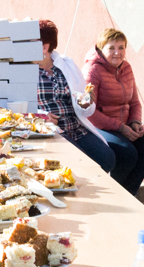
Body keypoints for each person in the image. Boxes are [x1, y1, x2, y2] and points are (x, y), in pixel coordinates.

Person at [83, 28, 144, 195]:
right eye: (111, 48)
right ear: (101, 49)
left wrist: (135, 122)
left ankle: (128, 194)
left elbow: (134, 102)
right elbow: (90, 112)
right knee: (127, 152)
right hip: (99, 126)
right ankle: (114, 195)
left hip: (124, 126)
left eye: (121, 47)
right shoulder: (92, 71)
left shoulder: (126, 67)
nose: (117, 53)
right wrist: (120, 127)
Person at [34, 19, 114, 172]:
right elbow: (17, 107)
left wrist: (85, 103)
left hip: (76, 128)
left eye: (29, 43)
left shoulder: (67, 65)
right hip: (53, 131)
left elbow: (84, 102)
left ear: (44, 47)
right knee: (81, 164)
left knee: (107, 158)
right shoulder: (24, 71)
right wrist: (41, 116)